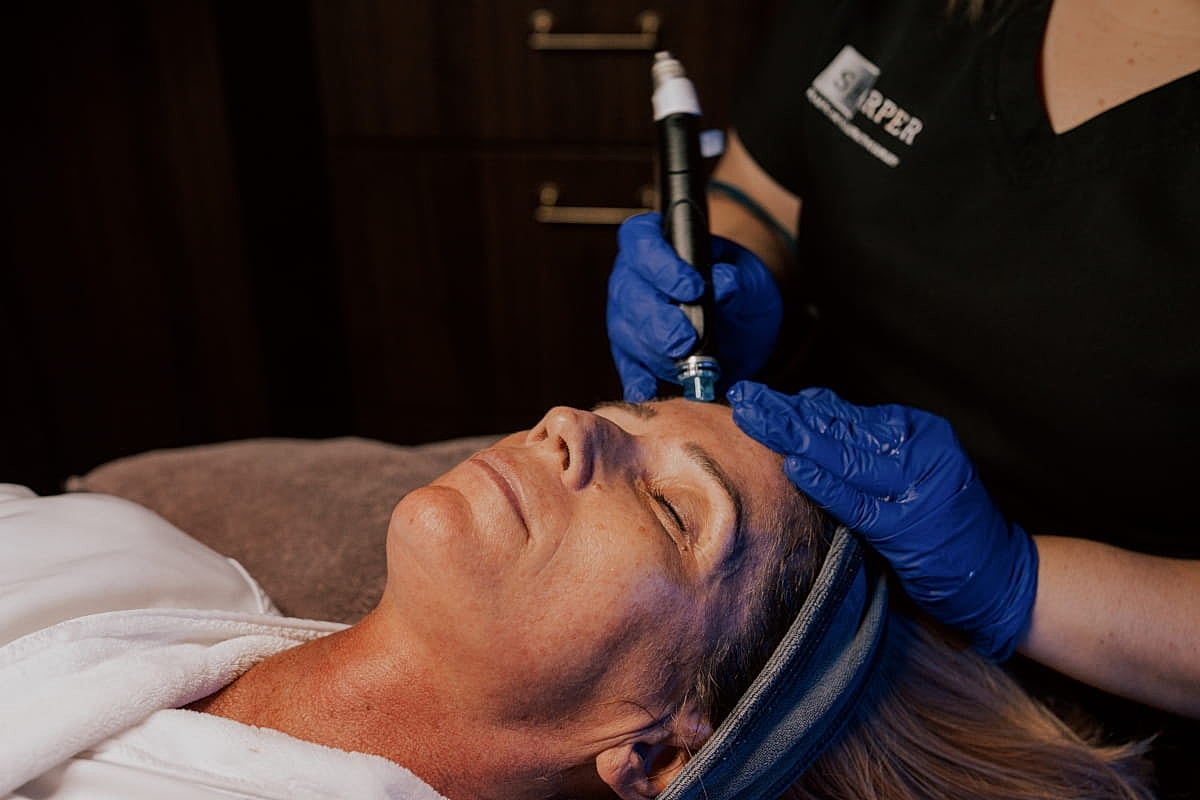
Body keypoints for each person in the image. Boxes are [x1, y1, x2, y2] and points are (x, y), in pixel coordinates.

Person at [606, 0, 1199, 791]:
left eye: (678, 513)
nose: (563, 431)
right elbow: (762, 192)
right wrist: (728, 270)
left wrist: (1017, 584)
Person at [0, 400, 1154, 799]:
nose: (572, 423)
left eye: (670, 509)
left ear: (659, 747)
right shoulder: (133, 553)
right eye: (628, 412)